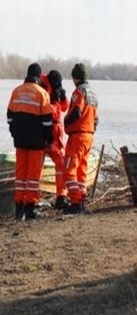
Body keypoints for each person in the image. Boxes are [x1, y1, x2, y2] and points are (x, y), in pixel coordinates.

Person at [7, 63, 53, 220]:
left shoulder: (16, 91)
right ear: (39, 77)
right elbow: (47, 122)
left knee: (20, 175)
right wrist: (49, 139)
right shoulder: (42, 94)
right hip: (36, 142)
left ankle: (18, 209)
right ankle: (30, 208)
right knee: (33, 176)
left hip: (20, 141)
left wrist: (14, 134)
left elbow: (10, 117)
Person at [63, 63, 98, 214]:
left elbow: (76, 111)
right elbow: (96, 119)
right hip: (89, 136)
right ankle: (81, 200)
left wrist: (65, 121)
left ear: (74, 77)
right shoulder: (93, 94)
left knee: (69, 170)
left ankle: (76, 202)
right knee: (81, 171)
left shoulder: (79, 92)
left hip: (77, 136)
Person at [40, 70, 70, 209]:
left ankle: (61, 196)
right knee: (36, 166)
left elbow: (64, 108)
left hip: (55, 132)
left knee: (61, 164)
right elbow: (43, 109)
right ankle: (31, 200)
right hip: (44, 131)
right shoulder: (41, 87)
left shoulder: (56, 88)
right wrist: (53, 101)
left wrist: (63, 98)